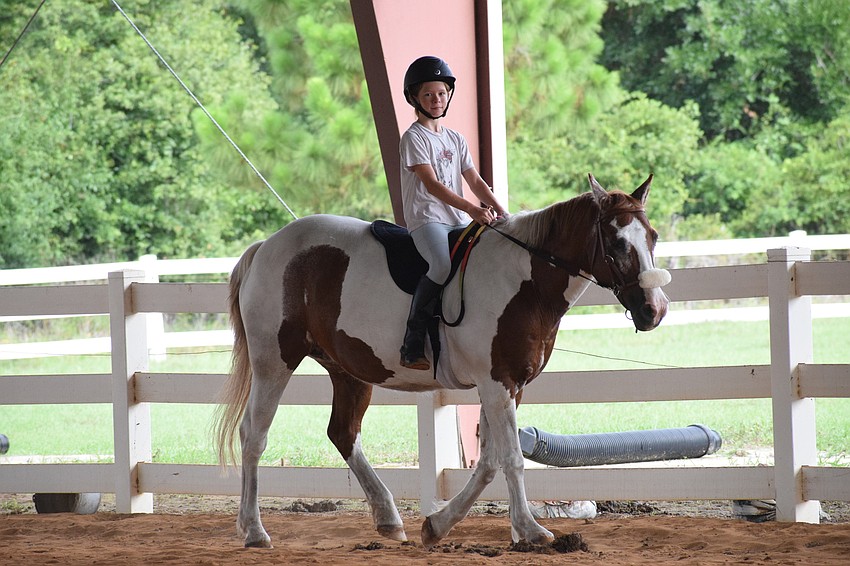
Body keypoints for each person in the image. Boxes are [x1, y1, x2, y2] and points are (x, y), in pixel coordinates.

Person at [398, 55, 509, 371]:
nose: (436, 100)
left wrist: (503, 212)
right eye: (428, 95)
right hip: (427, 218)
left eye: (442, 93)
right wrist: (474, 209)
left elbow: (474, 180)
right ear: (415, 99)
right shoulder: (414, 138)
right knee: (441, 264)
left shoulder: (455, 138)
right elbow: (432, 185)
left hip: (457, 219)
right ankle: (412, 342)